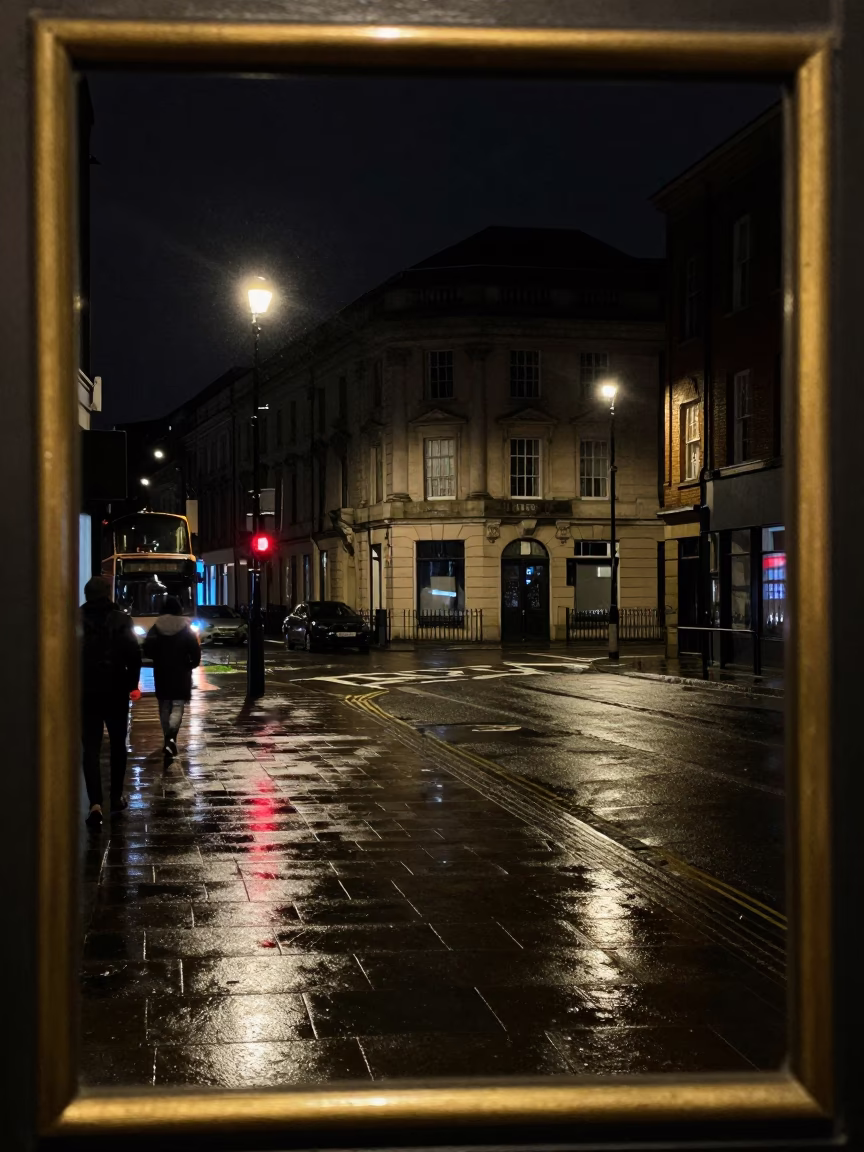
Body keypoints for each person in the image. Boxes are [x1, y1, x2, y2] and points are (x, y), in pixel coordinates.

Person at [80, 575, 142, 829]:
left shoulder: (76, 619)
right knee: (118, 745)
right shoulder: (121, 619)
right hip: (115, 690)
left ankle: (95, 803)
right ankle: (115, 797)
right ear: (108, 593)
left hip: (86, 691)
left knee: (90, 749)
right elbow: (134, 655)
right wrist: (132, 685)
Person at [143, 595, 200, 759]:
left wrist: (157, 657)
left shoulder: (156, 626)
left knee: (164, 705)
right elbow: (195, 650)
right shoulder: (185, 627)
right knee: (177, 705)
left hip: (162, 671)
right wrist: (191, 664)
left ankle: (167, 739)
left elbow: (147, 649)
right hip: (181, 672)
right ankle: (171, 738)